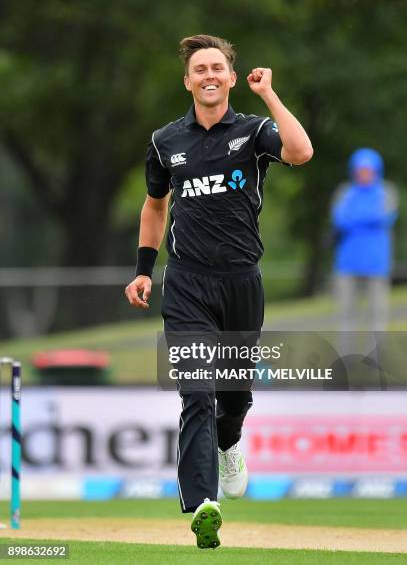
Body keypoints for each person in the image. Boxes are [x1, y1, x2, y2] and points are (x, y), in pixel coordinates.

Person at [125, 34, 313, 549]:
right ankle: (203, 503)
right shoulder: (166, 141)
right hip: (185, 283)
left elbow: (301, 151)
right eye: (199, 69)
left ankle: (230, 444)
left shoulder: (253, 132)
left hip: (240, 283)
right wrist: (145, 269)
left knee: (233, 397)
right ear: (187, 81)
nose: (209, 75)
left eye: (217, 68)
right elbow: (154, 206)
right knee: (196, 393)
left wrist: (269, 95)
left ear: (231, 78)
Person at [331, 148, 398, 340]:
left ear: (377, 170)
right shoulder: (344, 193)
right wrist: (367, 219)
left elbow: (384, 217)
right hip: (347, 263)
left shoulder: (387, 192)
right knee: (346, 314)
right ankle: (346, 357)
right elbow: (339, 219)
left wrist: (355, 219)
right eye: (360, 170)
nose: (364, 174)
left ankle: (375, 359)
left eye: (368, 170)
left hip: (377, 263)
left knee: (377, 314)